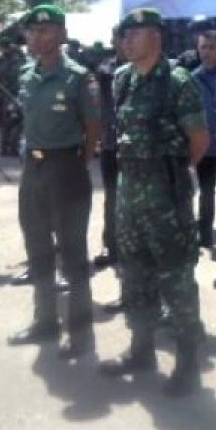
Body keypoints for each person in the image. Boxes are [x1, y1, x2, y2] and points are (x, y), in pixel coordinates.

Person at [100, 7, 208, 398]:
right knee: (134, 275)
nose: (126, 41)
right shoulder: (122, 79)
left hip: (166, 199)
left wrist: (170, 174)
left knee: (176, 279)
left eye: (135, 34)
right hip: (130, 197)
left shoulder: (178, 82)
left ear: (156, 38)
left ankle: (187, 362)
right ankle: (141, 349)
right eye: (123, 35)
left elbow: (200, 140)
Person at [8, 4, 101, 359]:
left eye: (45, 30)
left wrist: (80, 163)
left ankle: (80, 332)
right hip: (33, 168)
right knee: (37, 247)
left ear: (61, 34)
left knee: (73, 253)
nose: (36, 37)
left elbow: (93, 128)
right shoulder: (27, 74)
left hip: (66, 167)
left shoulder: (79, 77)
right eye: (32, 31)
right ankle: (45, 322)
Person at [191, 29, 216, 250]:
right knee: (206, 192)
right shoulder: (192, 79)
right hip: (205, 147)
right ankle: (204, 236)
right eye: (203, 47)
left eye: (211, 47)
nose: (206, 52)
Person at [93, 25, 124, 271]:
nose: (122, 42)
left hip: (138, 147)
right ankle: (111, 246)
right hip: (111, 144)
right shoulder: (107, 68)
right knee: (112, 197)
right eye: (118, 38)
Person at [0, 36, 25, 158]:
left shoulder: (13, 60)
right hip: (7, 95)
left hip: (11, 95)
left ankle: (9, 148)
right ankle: (8, 148)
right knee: (10, 123)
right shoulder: (7, 60)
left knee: (12, 122)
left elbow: (13, 78)